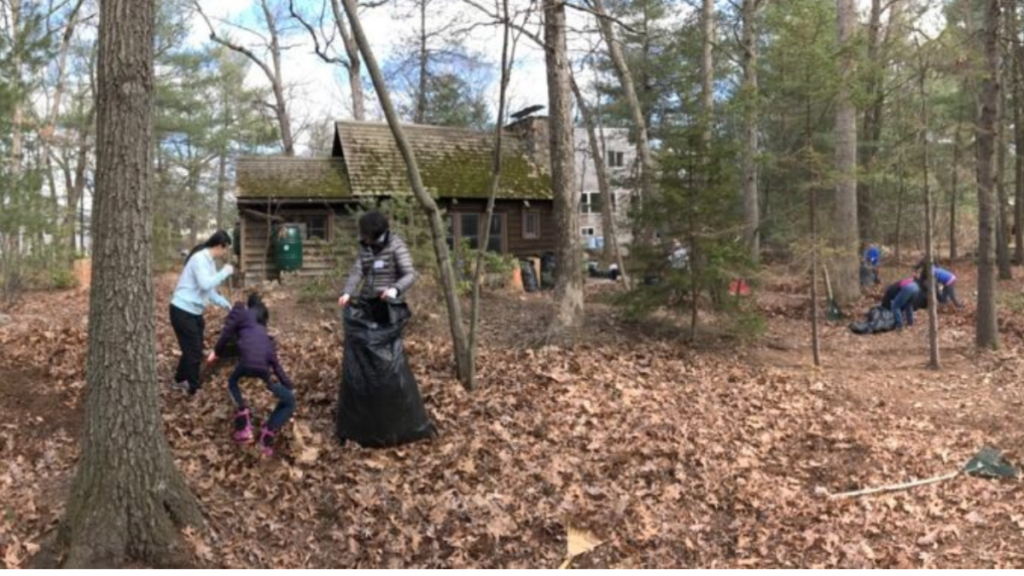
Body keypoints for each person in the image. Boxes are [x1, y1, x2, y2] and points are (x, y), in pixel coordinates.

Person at [208, 294, 294, 457]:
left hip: (246, 363)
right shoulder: (264, 330)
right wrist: (289, 386)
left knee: (233, 382)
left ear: (250, 305)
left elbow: (227, 332)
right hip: (264, 369)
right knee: (289, 401)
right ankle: (267, 435)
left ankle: (243, 422)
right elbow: (276, 365)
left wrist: (217, 352)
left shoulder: (243, 314)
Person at [170, 230, 234, 396]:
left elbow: (209, 291)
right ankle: (194, 388)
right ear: (220, 246)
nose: (225, 253)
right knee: (194, 352)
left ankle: (178, 380)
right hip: (182, 310)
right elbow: (205, 284)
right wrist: (224, 272)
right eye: (225, 249)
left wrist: (226, 304)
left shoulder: (210, 262)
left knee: (192, 349)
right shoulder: (199, 258)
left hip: (195, 312)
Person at [338, 212, 416, 307]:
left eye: (364, 231)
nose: (362, 234)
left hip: (389, 304)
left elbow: (410, 274)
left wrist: (394, 289)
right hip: (367, 302)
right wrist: (347, 293)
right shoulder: (365, 247)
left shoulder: (396, 245)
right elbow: (357, 271)